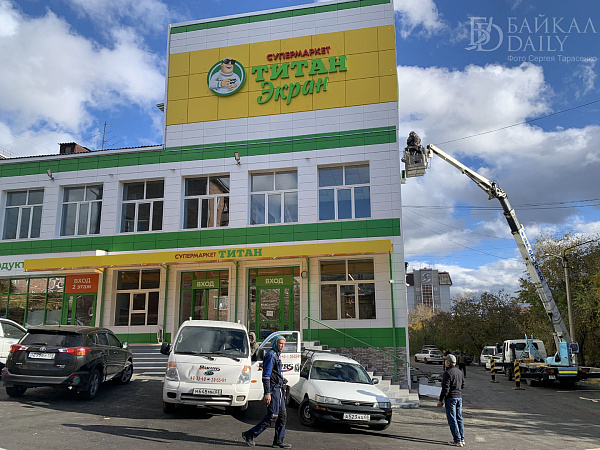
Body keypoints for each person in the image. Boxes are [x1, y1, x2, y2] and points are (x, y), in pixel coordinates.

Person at [242, 335, 291, 448]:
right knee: (272, 416)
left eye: (283, 344)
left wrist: (281, 378)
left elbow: (274, 372)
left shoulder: (276, 355)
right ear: (275, 343)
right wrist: (267, 393)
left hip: (279, 389)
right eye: (280, 343)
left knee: (282, 415)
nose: (282, 346)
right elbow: (266, 376)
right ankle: (250, 434)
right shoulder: (271, 355)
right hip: (273, 390)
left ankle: (278, 441)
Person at [437, 354, 465, 447]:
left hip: (451, 398)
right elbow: (463, 384)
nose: (445, 363)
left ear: (448, 362)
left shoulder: (448, 373)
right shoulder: (459, 372)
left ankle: (457, 440)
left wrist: (441, 400)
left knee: (452, 419)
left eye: (445, 361)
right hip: (459, 397)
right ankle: (462, 438)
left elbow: (445, 388)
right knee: (459, 418)